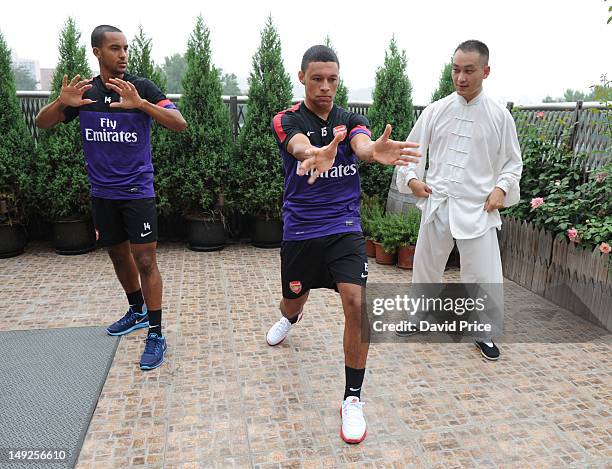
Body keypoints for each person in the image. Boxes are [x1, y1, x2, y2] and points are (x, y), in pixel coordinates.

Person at [266, 45, 421, 444]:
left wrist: (372, 151)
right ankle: (291, 317)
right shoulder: (287, 119)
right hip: (300, 230)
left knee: (356, 302)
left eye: (332, 79)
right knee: (292, 301)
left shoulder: (350, 119)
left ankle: (352, 398)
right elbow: (298, 144)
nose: (325, 87)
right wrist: (313, 153)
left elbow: (361, 144)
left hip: (344, 227)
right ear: (302, 78)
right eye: (317, 78)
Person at [36, 25, 187, 370]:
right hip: (102, 193)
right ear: (97, 52)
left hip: (137, 191)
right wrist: (62, 102)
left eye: (125, 48)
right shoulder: (84, 92)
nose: (122, 55)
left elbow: (179, 123)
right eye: (115, 48)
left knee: (146, 261)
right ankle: (135, 310)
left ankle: (156, 333)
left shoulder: (140, 88)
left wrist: (142, 104)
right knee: (119, 257)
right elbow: (43, 123)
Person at [396, 40, 522, 360]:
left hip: (478, 207)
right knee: (426, 266)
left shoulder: (499, 116)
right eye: (456, 69)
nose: (461, 77)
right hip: (438, 202)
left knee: (481, 273)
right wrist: (412, 179)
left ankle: (483, 332)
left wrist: (501, 189)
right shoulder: (435, 110)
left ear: (486, 71)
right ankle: (419, 316)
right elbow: (411, 152)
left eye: (469, 70)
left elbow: (512, 163)